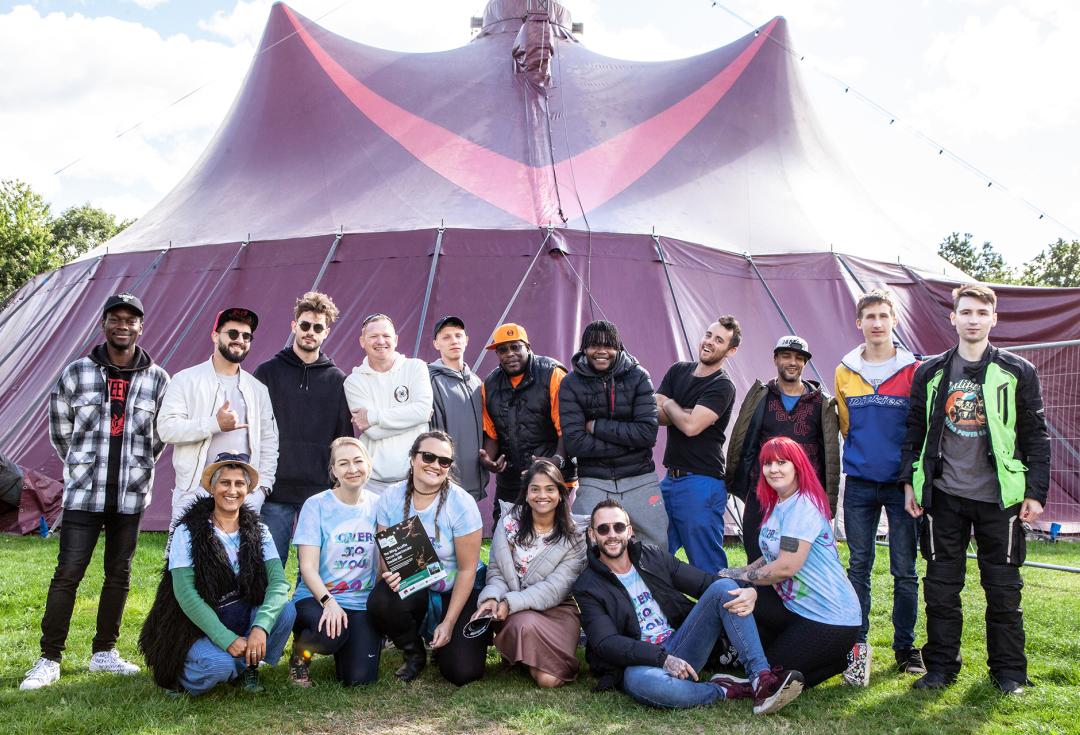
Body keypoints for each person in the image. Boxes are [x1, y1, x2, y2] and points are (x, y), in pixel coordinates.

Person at [901, 283, 1050, 695]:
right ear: (953, 317)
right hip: (943, 496)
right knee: (942, 590)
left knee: (1003, 592)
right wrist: (911, 484)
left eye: (981, 313)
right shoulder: (929, 371)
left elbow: (1036, 435)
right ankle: (941, 668)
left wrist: (1035, 491)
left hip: (999, 500)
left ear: (993, 319)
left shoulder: (1018, 371)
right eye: (965, 312)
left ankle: (1009, 674)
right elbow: (913, 432)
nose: (973, 320)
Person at [21, 294, 170, 691]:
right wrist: (85, 463)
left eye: (131, 320)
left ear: (141, 327)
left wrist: (136, 465)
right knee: (68, 573)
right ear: (103, 324)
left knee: (118, 574)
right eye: (115, 319)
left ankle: (104, 652)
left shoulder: (158, 378)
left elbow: (160, 437)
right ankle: (49, 658)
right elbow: (60, 431)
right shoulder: (76, 373)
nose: (123, 325)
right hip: (84, 494)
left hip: (130, 494)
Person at [573, 498, 803, 714]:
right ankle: (725, 689)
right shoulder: (587, 585)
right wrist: (662, 658)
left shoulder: (651, 557)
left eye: (619, 527)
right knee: (646, 685)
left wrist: (749, 589)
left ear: (630, 531)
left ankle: (760, 679)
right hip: (640, 662)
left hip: (682, 644)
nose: (612, 535)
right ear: (593, 535)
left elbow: (704, 583)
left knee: (725, 588)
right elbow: (606, 643)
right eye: (603, 529)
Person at [139, 454, 295, 695]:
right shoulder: (187, 531)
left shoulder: (260, 531)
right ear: (212, 487)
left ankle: (245, 667)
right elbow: (186, 594)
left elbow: (278, 584)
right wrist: (226, 639)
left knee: (286, 611)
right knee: (218, 667)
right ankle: (184, 673)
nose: (232, 490)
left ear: (248, 490)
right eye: (225, 483)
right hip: (195, 625)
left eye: (239, 484)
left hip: (240, 615)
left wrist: (260, 628)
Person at [719, 438, 861, 688]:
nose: (773, 469)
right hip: (796, 608)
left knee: (769, 677)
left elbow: (785, 567)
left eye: (782, 462)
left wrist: (746, 580)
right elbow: (772, 554)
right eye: (767, 463)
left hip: (831, 618)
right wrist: (736, 572)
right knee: (733, 595)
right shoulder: (780, 503)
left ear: (797, 466)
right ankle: (839, 659)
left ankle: (846, 655)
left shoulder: (803, 505)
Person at [834, 290, 923, 685]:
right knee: (858, 567)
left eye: (883, 315)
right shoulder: (844, 370)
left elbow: (918, 430)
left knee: (904, 571)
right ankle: (857, 649)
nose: (876, 323)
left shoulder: (914, 369)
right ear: (859, 323)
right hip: (859, 485)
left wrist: (911, 480)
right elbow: (845, 426)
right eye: (869, 316)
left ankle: (905, 649)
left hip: (901, 485)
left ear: (894, 321)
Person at [367, 431, 487, 685]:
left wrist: (450, 622)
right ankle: (413, 651)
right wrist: (389, 579)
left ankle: (443, 637)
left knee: (462, 672)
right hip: (416, 584)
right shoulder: (391, 496)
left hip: (456, 589)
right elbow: (387, 555)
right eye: (429, 456)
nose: (435, 465)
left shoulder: (462, 504)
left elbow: (467, 570)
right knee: (381, 599)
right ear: (412, 458)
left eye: (444, 461)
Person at [253, 292, 353, 564]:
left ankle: (308, 608)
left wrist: (336, 485)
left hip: (320, 492)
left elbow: (343, 437)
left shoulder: (338, 380)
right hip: (275, 489)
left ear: (326, 332)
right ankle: (269, 609)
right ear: (294, 326)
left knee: (316, 570)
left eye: (317, 327)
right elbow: (254, 430)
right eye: (305, 325)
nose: (310, 332)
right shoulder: (267, 373)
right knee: (269, 568)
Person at [157, 307, 278, 525]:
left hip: (241, 494)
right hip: (194, 491)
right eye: (232, 334)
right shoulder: (185, 380)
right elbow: (166, 428)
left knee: (238, 558)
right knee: (188, 557)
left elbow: (269, 441)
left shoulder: (257, 389)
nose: (239, 340)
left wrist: (261, 489)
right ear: (215, 336)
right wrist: (214, 424)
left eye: (246, 336)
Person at [726, 335, 840, 562]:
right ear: (776, 359)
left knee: (800, 560)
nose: (792, 362)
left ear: (805, 363)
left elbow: (830, 452)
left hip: (803, 496)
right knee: (756, 552)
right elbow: (743, 438)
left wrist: (827, 498)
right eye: (786, 356)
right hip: (763, 490)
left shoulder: (821, 402)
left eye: (799, 358)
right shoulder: (761, 396)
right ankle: (759, 597)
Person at [474, 460, 587, 687]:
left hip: (557, 610)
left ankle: (523, 655)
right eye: (535, 489)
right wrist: (491, 599)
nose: (541, 495)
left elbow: (556, 588)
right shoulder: (508, 524)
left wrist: (509, 602)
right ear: (525, 494)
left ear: (560, 494)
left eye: (549, 489)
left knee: (549, 680)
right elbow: (497, 571)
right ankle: (523, 651)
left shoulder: (575, 536)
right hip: (516, 611)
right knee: (522, 623)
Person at [560, 320, 666, 548]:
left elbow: (647, 434)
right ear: (583, 348)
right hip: (593, 480)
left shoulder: (639, 376)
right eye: (593, 345)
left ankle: (652, 585)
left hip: (640, 478)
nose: (601, 351)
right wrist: (629, 443)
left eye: (608, 345)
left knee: (656, 546)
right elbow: (575, 443)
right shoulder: (570, 383)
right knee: (582, 545)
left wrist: (597, 427)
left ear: (618, 347)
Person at [287, 437, 381, 687]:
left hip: (361, 601)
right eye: (343, 463)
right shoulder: (316, 505)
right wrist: (329, 603)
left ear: (369, 465)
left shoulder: (379, 505)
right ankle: (301, 653)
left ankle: (348, 643)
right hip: (318, 596)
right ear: (333, 471)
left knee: (360, 680)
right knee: (330, 635)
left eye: (358, 461)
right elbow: (307, 567)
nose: (352, 469)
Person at [654, 316, 740, 573]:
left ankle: (722, 610)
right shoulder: (678, 370)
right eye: (708, 335)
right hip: (670, 479)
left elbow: (691, 427)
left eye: (719, 340)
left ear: (731, 350)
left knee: (706, 566)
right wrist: (684, 413)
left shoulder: (722, 385)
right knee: (653, 554)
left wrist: (670, 403)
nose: (709, 342)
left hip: (702, 481)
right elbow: (653, 413)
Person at [480, 323, 575, 524]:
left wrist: (558, 460)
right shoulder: (489, 384)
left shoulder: (552, 373)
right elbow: (492, 433)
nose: (509, 354)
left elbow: (567, 426)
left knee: (554, 538)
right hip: (511, 480)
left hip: (551, 477)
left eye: (515, 347)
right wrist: (489, 458)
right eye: (502, 350)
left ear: (528, 347)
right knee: (505, 537)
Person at [343, 313, 432, 494]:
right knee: (379, 524)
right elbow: (373, 432)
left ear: (396, 340)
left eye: (386, 336)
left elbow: (423, 411)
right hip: (373, 484)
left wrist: (373, 416)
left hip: (414, 480)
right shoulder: (353, 381)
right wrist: (414, 419)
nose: (380, 341)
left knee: (412, 524)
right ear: (362, 341)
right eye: (373, 336)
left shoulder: (416, 367)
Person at [428, 315, 488, 501]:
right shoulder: (429, 380)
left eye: (458, 335)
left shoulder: (477, 382)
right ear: (436, 344)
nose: (454, 341)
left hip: (474, 484)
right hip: (444, 485)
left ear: (466, 340)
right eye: (446, 337)